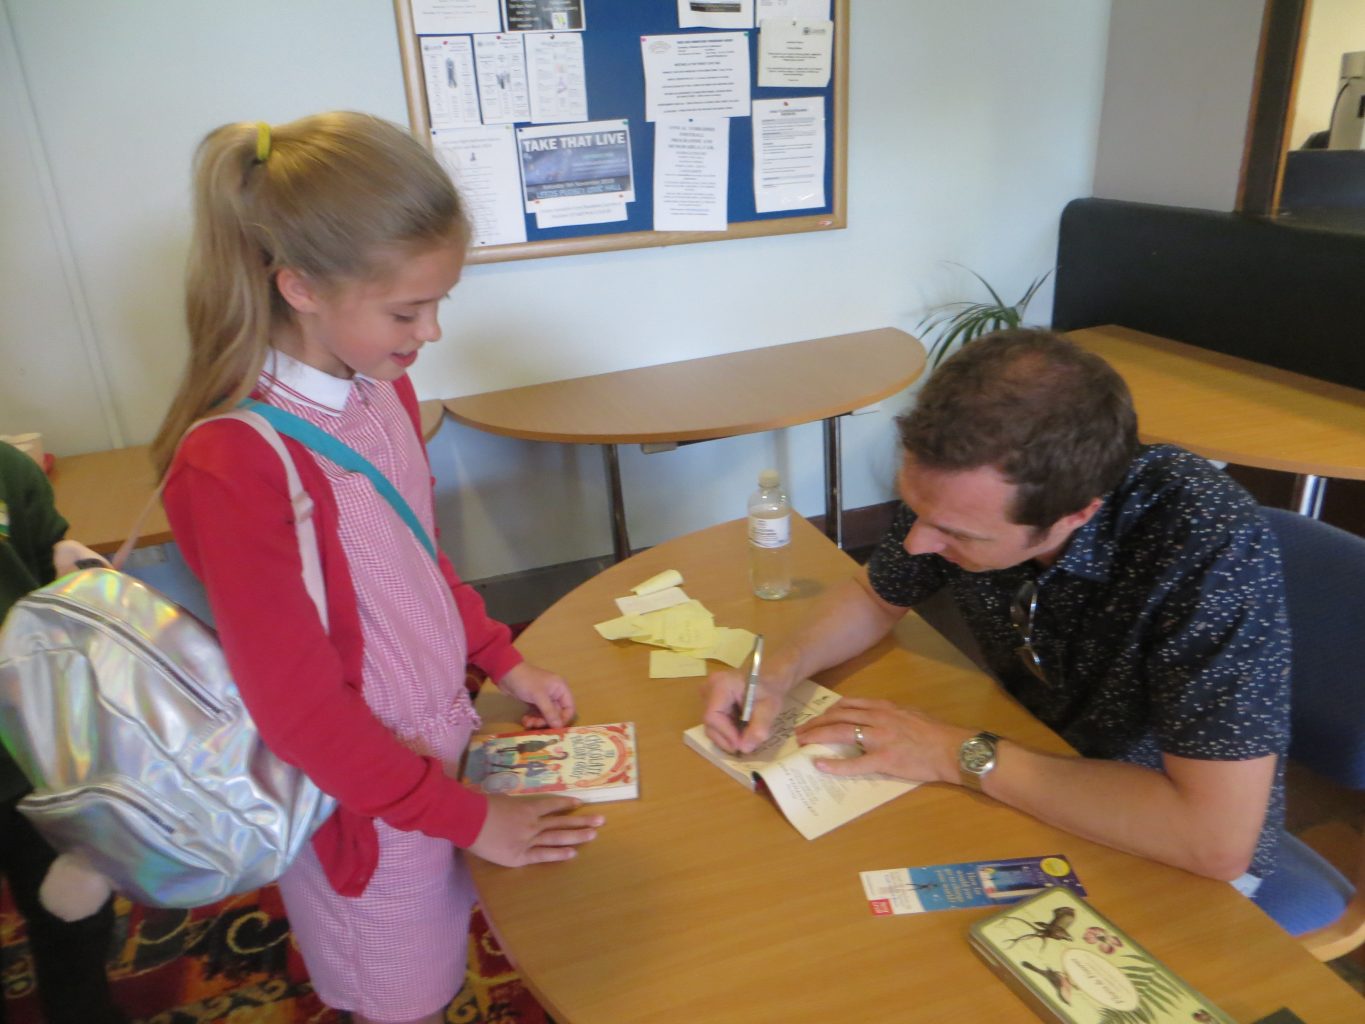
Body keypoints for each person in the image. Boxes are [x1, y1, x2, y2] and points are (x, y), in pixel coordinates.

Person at [150, 112, 603, 1024]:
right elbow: (303, 715)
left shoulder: (380, 385)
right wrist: (471, 818)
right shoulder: (234, 461)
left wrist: (501, 656)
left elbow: (413, 559)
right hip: (358, 799)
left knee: (457, 938)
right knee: (401, 996)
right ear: (300, 287)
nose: (429, 332)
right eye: (405, 311)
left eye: (439, 302)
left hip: (438, 750)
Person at [703, 329, 1290, 895]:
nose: (917, 544)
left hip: (1160, 835)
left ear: (1075, 516)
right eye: (915, 510)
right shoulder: (961, 487)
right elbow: (874, 595)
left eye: (955, 533)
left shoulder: (1208, 542)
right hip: (1024, 756)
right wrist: (776, 673)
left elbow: (1213, 841)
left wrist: (951, 752)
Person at [0, 439, 126, 1024]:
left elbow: (49, 568)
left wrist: (79, 575)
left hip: (33, 752)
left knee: (73, 914)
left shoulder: (7, 470)